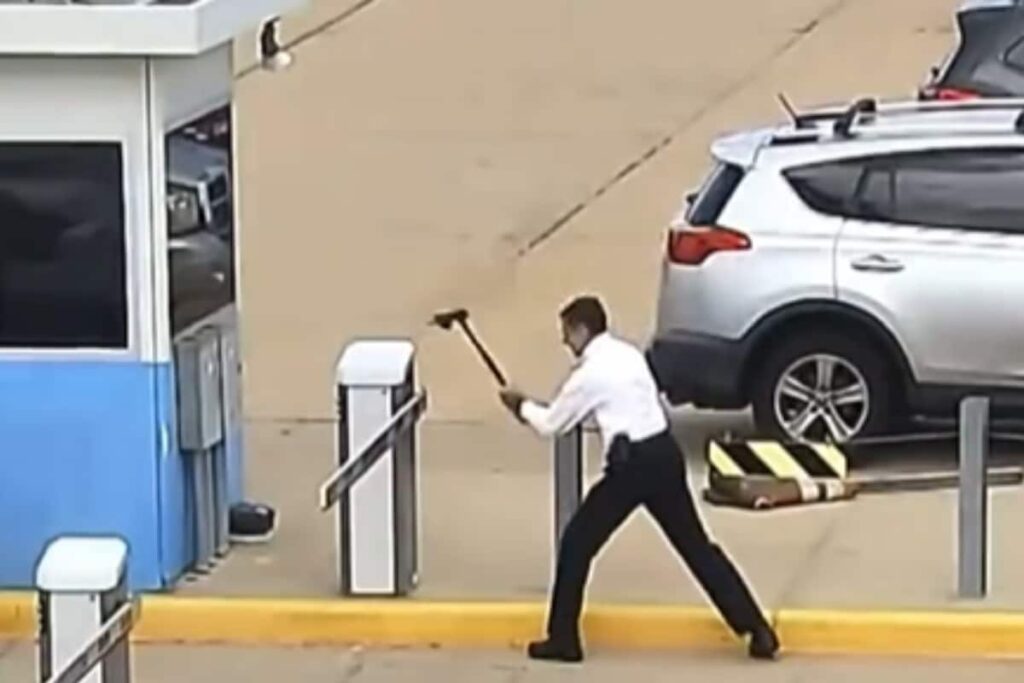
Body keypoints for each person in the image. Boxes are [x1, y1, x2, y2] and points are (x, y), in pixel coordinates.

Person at [498, 294, 779, 663]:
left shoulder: (589, 375)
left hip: (630, 467)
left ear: (581, 330)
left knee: (577, 544)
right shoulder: (628, 354)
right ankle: (756, 629)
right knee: (697, 547)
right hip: (665, 454)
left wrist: (520, 406)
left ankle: (563, 638)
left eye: (567, 332)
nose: (565, 341)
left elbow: (552, 425)